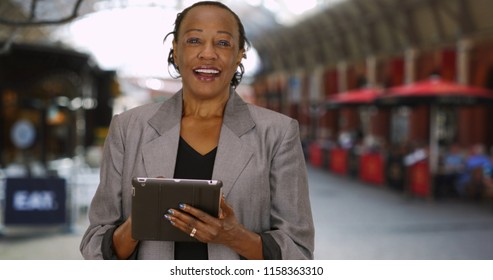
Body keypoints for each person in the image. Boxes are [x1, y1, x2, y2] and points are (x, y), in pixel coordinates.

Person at [80, 1, 314, 260]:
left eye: (223, 43)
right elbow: (94, 245)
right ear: (176, 51)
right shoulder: (128, 129)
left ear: (239, 55)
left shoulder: (278, 133)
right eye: (194, 41)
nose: (208, 53)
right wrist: (139, 222)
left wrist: (233, 236)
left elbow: (299, 253)